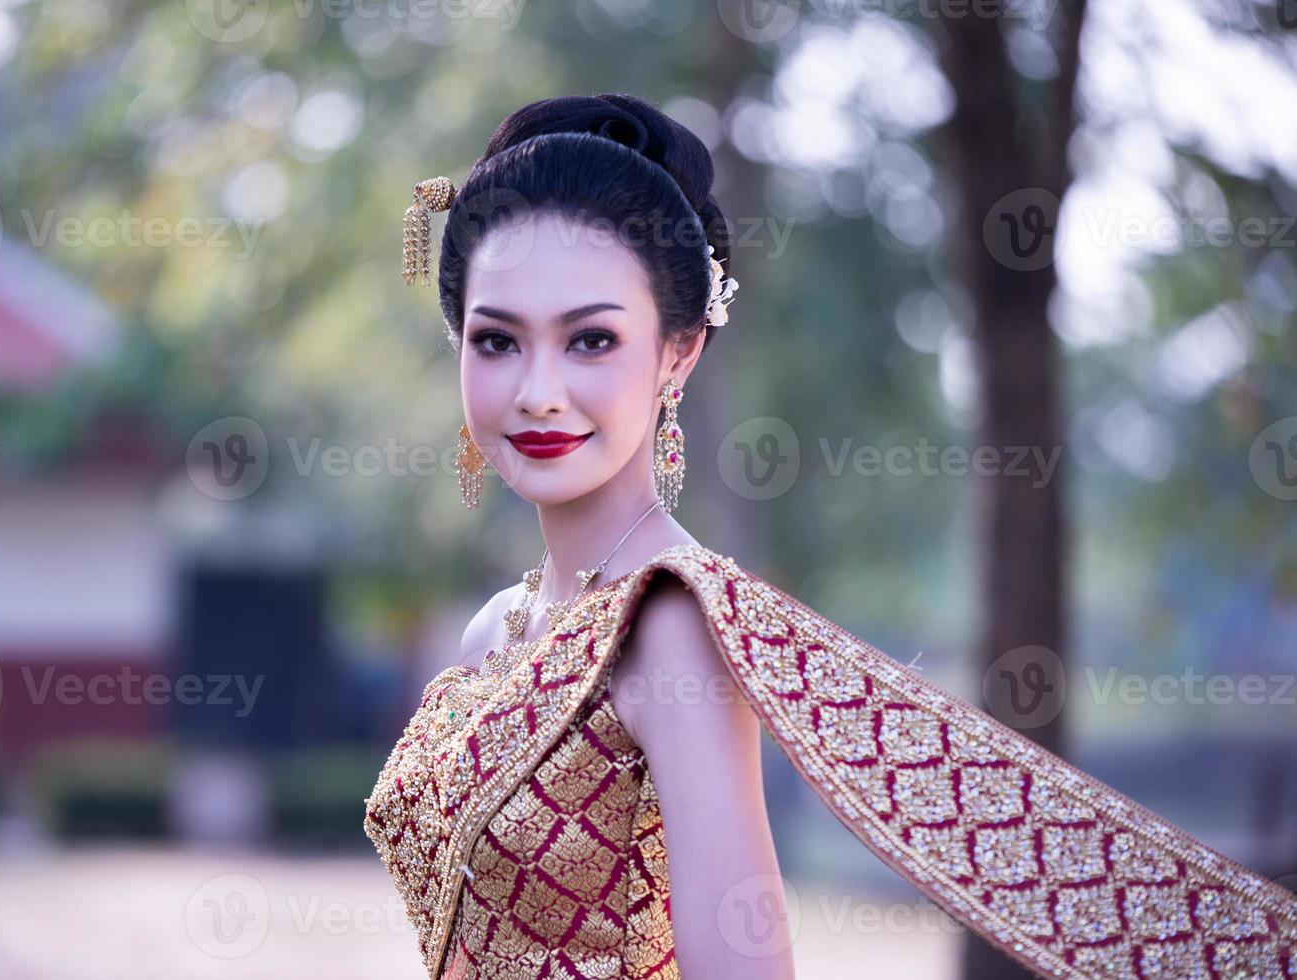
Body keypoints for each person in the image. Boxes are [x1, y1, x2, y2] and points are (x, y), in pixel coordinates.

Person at [364, 93, 1297, 979]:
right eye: (497, 340)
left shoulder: (670, 626)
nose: (537, 389)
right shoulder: (491, 633)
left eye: (592, 340)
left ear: (679, 351)